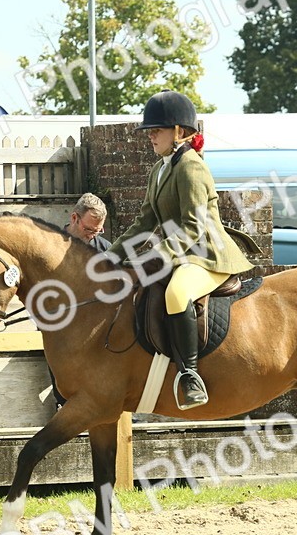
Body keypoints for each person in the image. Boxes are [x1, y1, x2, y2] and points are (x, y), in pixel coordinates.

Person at [107, 90, 255, 409]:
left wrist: (159, 256)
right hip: (183, 253)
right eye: (149, 130)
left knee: (176, 293)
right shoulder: (160, 170)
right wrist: (111, 257)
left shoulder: (190, 167)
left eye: (156, 130)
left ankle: (190, 377)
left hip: (208, 255)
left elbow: (194, 226)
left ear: (178, 131)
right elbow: (143, 223)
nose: (150, 136)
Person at [50, 194, 112, 410]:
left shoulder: (104, 248)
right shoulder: (50, 245)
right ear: (75, 218)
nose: (93, 236)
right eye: (89, 230)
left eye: (98, 230)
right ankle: (64, 402)